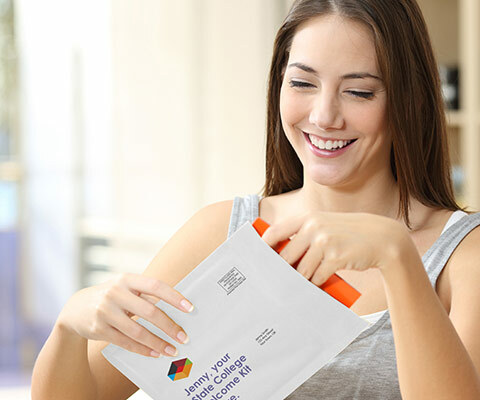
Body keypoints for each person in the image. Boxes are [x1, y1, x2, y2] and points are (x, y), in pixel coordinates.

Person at [32, 0, 480, 399]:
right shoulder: (222, 232)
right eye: (303, 83)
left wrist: (396, 256)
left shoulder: (463, 255)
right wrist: (70, 326)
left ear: (408, 99)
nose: (323, 116)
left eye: (359, 91)